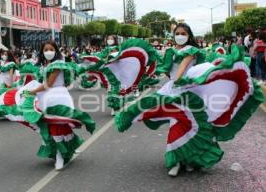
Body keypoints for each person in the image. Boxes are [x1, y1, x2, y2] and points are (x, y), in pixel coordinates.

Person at [115, 23, 263, 177]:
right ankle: (178, 162)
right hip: (174, 88)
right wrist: (168, 80)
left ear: (189, 35)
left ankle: (187, 161)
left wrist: (179, 80)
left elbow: (185, 67)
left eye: (183, 33)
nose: (180, 35)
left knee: (191, 126)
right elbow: (166, 70)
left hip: (188, 91)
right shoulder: (171, 51)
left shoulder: (191, 51)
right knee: (177, 123)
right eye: (177, 33)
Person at [19, 41, 95, 170]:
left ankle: (60, 154)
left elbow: (48, 84)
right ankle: (68, 148)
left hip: (57, 97)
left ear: (55, 50)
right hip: (45, 97)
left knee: (57, 125)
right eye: (45, 50)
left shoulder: (57, 64)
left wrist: (31, 92)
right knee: (53, 125)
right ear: (42, 52)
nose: (48, 52)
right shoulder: (44, 65)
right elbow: (41, 82)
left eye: (51, 49)